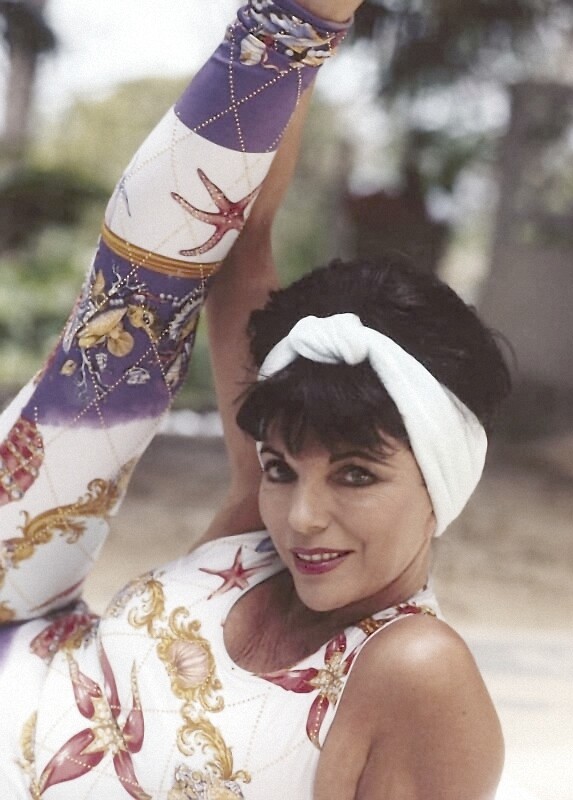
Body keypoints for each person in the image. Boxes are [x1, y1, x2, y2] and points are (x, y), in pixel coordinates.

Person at [0, 1, 513, 797]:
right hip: (21, 629)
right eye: (280, 468)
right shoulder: (257, 531)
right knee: (130, 318)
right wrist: (309, 48)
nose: (300, 517)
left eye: (355, 474)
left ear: (443, 480)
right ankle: (290, 25)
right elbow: (243, 236)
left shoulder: (412, 668)